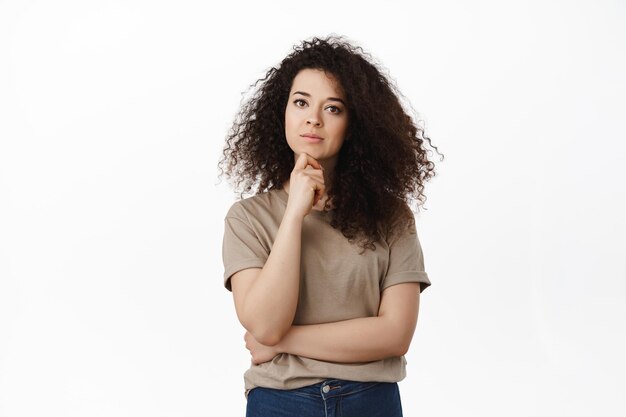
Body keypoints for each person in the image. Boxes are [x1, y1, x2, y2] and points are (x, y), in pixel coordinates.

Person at [219, 35, 441, 417]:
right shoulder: (248, 218)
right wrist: (294, 213)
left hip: (371, 401)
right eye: (301, 102)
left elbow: (395, 335)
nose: (313, 118)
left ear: (354, 124)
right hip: (280, 402)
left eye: (333, 108)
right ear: (282, 112)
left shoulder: (392, 217)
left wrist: (283, 343)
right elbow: (265, 325)